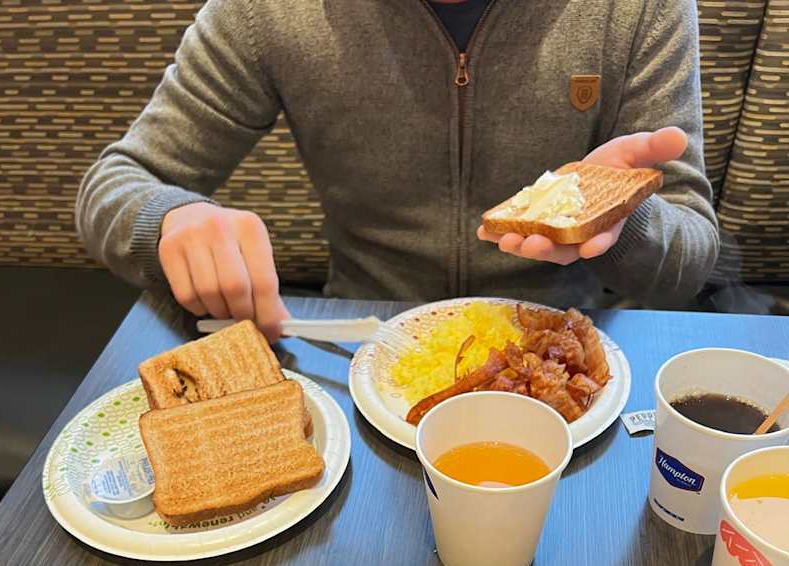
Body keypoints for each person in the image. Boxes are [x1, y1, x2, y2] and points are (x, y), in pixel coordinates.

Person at [76, 0, 719, 341]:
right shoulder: (265, 13)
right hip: (363, 340)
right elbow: (116, 181)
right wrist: (173, 219)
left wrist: (617, 216)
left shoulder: (638, 8)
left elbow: (690, 255)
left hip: (561, 348)